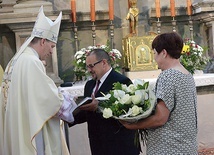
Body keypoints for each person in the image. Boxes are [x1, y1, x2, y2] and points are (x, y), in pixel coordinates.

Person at [0, 6, 76, 155]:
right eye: (52, 46)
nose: (51, 51)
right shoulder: (31, 62)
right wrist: (69, 103)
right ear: (43, 41)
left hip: (18, 127)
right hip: (29, 129)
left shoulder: (16, 60)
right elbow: (49, 99)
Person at [120, 32, 198, 154]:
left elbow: (160, 118)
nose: (154, 58)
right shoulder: (186, 74)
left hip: (169, 147)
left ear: (164, 53)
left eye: (155, 53)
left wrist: (132, 125)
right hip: (186, 146)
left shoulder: (168, 75)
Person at [69, 49, 140, 155]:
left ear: (104, 63)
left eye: (91, 66)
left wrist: (99, 106)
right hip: (97, 144)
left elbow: (127, 112)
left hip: (119, 145)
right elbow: (87, 112)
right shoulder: (89, 85)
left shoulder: (122, 81)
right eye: (87, 67)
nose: (89, 70)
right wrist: (68, 116)